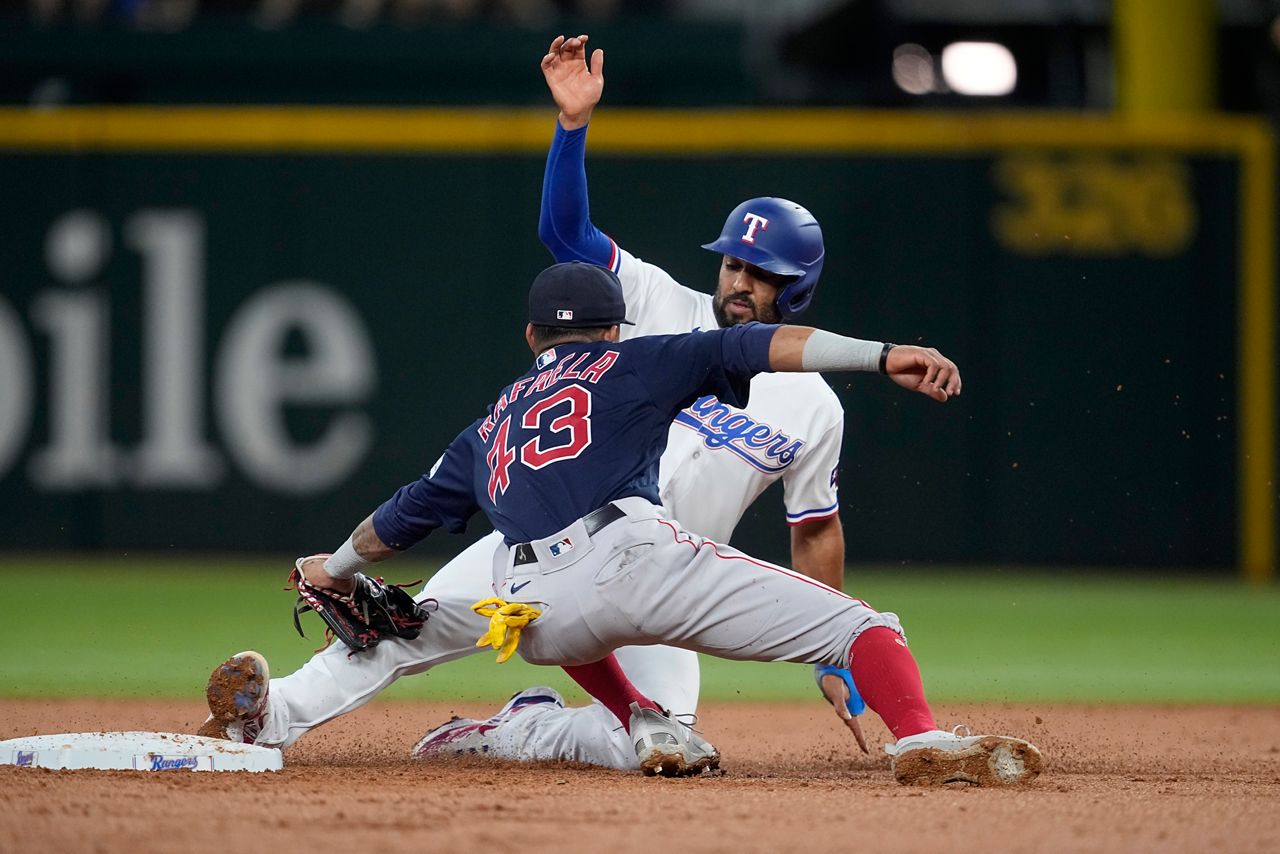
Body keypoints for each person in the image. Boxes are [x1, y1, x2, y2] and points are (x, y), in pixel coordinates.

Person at [206, 260, 1042, 786]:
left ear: (532, 335)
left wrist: (332, 568)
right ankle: (919, 741)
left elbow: (406, 516)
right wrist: (880, 354)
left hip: (526, 602)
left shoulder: (491, 420)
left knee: (405, 625)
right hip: (635, 560)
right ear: (615, 327)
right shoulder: (642, 356)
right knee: (863, 628)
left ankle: (270, 715)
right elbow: (757, 347)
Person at [410, 32, 872, 762]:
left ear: (799, 289)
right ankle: (272, 706)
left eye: (761, 272)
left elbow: (815, 529)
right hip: (551, 546)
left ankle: (518, 726)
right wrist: (571, 127)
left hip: (667, 584)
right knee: (409, 628)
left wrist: (833, 652)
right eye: (733, 263)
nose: (739, 281)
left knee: (662, 736)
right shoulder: (657, 300)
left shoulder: (816, 406)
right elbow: (565, 231)